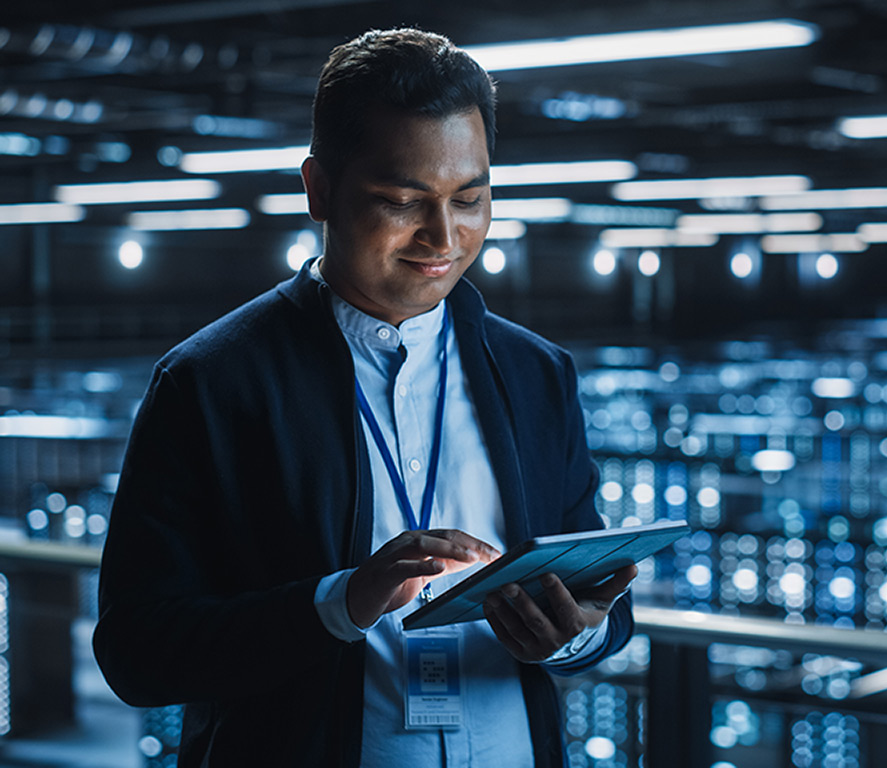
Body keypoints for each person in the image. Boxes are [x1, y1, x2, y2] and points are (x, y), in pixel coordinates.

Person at [93, 27, 636, 767]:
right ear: (319, 189)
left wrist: (576, 633)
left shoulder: (536, 373)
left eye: (470, 198)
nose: (443, 236)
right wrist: (341, 602)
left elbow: (598, 598)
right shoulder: (212, 382)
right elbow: (138, 651)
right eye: (401, 201)